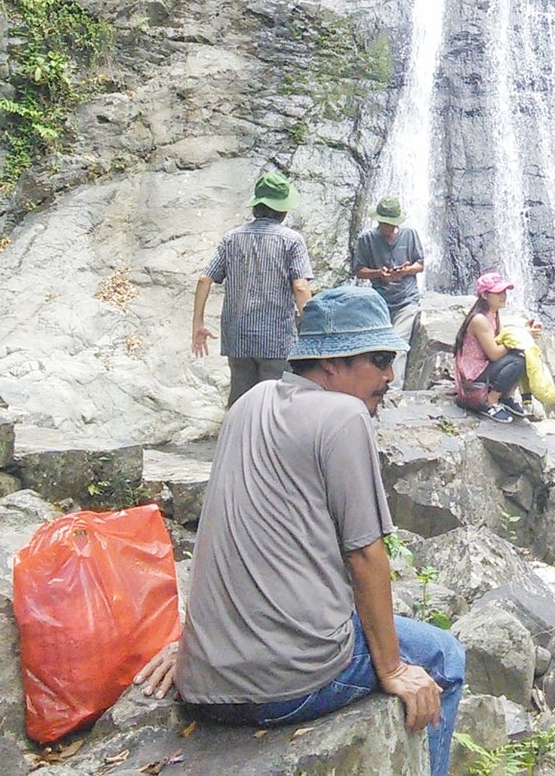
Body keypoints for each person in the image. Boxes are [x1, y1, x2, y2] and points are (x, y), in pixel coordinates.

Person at [135, 285, 465, 776]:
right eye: (377, 359)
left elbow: (233, 536)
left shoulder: (251, 401)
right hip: (288, 688)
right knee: (445, 656)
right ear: (330, 363)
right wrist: (393, 670)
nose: (389, 376)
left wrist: (195, 644)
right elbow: (365, 555)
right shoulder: (345, 415)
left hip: (204, 681)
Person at [193, 169, 314, 405]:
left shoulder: (232, 238)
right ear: (283, 209)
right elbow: (300, 287)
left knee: (241, 406)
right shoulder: (291, 240)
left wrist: (198, 323)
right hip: (276, 341)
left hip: (237, 339)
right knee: (275, 407)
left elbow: (204, 279)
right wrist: (312, 329)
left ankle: (235, 442)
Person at [351, 196, 424, 386]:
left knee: (398, 344)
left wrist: (406, 270)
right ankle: (372, 387)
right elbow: (359, 271)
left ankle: (393, 393)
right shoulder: (366, 239)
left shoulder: (410, 234)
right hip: (379, 302)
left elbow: (420, 265)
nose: (389, 228)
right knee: (375, 347)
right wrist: (379, 274)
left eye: (393, 224)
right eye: (385, 224)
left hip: (407, 300)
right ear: (379, 221)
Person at [451, 271, 537, 423]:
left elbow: (500, 337)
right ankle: (489, 402)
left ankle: (505, 397)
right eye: (498, 292)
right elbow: (495, 354)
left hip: (484, 368)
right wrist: (517, 338)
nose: (503, 295)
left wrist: (525, 332)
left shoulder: (493, 313)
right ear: (484, 295)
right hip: (473, 377)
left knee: (524, 354)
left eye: (504, 291)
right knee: (517, 361)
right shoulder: (479, 320)